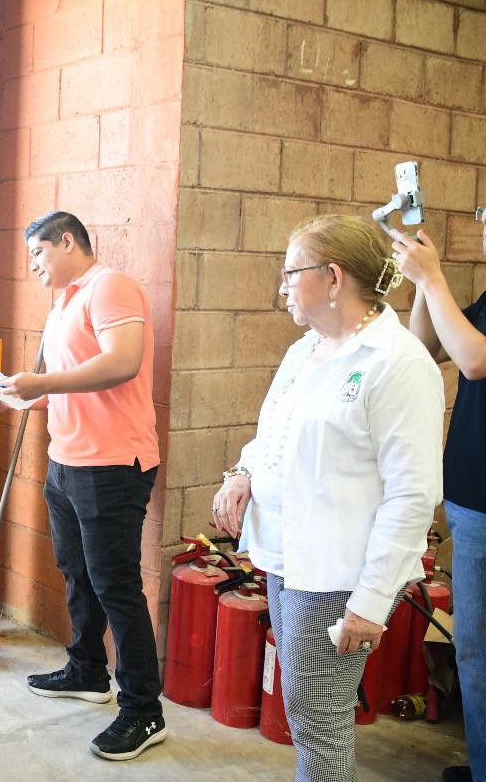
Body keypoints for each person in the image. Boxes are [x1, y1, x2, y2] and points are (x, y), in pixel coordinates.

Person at [213, 214, 443, 782]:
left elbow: (413, 494)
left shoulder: (397, 363)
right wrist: (243, 472)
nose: (282, 286)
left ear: (334, 278)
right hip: (287, 558)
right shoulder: (306, 350)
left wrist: (370, 601)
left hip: (339, 574)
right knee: (307, 709)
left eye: (292, 273)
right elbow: (274, 434)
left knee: (319, 718)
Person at [0, 210, 165, 761]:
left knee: (116, 586)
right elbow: (75, 387)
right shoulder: (64, 303)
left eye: (38, 253)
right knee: (77, 573)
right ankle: (88, 670)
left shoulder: (110, 287)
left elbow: (123, 363)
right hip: (67, 461)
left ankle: (143, 710)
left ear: (66, 241)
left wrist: (40, 381)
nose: (33, 266)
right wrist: (20, 398)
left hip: (112, 465)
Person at [392, 220, 485, 782]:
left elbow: (475, 360)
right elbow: (425, 346)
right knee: (474, 651)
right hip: (473, 499)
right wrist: (425, 283)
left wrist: (434, 279)